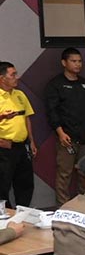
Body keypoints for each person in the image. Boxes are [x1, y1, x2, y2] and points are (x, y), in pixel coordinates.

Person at [44, 48, 85, 205]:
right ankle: (62, 206)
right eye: (73, 61)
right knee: (64, 173)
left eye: (80, 61)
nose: (78, 64)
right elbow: (52, 111)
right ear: (64, 63)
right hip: (67, 137)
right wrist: (60, 132)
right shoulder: (55, 84)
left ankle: (84, 205)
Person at [0, 61, 36, 207]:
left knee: (25, 183)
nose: (17, 77)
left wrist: (31, 141)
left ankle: (23, 212)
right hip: (4, 148)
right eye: (13, 75)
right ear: (2, 78)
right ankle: (5, 214)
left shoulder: (20, 94)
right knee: (3, 184)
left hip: (22, 146)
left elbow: (27, 118)